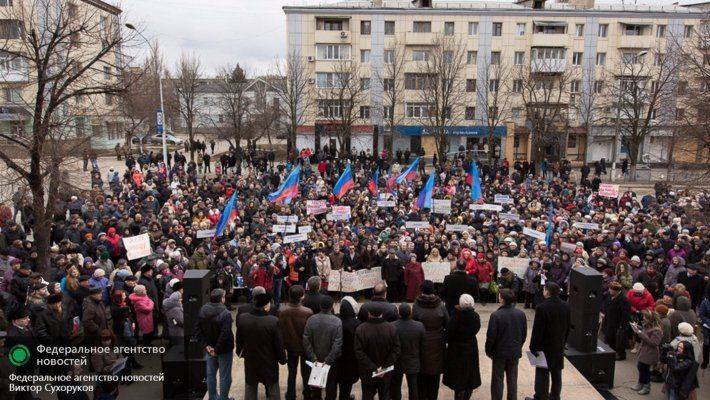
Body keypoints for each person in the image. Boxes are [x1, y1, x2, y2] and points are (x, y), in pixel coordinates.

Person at [236, 292, 287, 400]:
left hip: (250, 361)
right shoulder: (273, 321)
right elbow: (279, 344)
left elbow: (239, 340)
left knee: (250, 388)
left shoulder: (243, 318)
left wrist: (240, 352)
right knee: (273, 390)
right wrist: (282, 359)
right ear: (266, 306)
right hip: (269, 362)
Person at [525, 282, 570, 400]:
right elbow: (568, 327)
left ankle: (540, 396)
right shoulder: (566, 306)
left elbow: (538, 330)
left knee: (542, 373)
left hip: (544, 346)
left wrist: (533, 347)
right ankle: (555, 396)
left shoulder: (542, 307)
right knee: (556, 373)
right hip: (558, 345)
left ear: (547, 291)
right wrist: (563, 342)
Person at [485, 288, 527, 400]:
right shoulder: (521, 314)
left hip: (499, 352)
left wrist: (488, 351)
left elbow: (491, 337)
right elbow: (523, 335)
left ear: (502, 299)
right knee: (512, 378)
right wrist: (518, 346)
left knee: (497, 379)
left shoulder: (496, 315)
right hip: (514, 351)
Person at [354, 303, 401, 400]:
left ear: (369, 314)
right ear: (382, 314)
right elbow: (396, 350)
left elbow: (359, 352)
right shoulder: (391, 328)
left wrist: (374, 368)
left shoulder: (361, 329)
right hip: (385, 372)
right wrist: (383, 368)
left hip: (367, 372)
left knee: (367, 395)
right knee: (384, 395)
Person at [195, 289, 235, 400]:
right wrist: (216, 349)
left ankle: (212, 397)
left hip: (209, 348)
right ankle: (224, 398)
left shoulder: (202, 310)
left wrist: (206, 346)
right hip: (224, 350)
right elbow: (225, 334)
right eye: (224, 296)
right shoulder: (225, 313)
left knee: (211, 375)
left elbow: (197, 330)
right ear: (221, 299)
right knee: (225, 376)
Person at [412, 280, 448, 400]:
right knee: (434, 377)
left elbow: (412, 322)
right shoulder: (440, 305)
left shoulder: (416, 305)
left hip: (421, 342)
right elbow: (447, 323)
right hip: (437, 343)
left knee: (421, 376)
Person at [303, 295, 343, 400]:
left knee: (316, 387)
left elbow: (306, 341)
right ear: (332, 306)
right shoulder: (337, 321)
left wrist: (313, 358)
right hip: (331, 362)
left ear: (320, 306)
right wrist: (328, 360)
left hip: (315, 360)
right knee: (331, 386)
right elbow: (337, 344)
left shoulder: (311, 319)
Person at [443, 294, 481, 400]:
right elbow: (476, 329)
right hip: (471, 347)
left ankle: (459, 394)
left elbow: (448, 334)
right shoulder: (475, 317)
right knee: (469, 374)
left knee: (457, 376)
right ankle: (466, 394)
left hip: (456, 349)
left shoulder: (455, 317)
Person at [278, 285, 313, 400]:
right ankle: (307, 394)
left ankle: (291, 395)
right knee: (306, 372)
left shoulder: (282, 311)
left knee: (291, 372)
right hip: (304, 347)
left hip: (290, 347)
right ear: (302, 297)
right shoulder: (308, 312)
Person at [391, 303, 425, 400]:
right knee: (413, 387)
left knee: (396, 387)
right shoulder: (419, 326)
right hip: (413, 361)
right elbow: (423, 345)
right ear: (410, 313)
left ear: (399, 313)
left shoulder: (392, 326)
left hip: (397, 361)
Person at [629, 310, 663, 395]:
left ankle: (646, 386)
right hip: (644, 351)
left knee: (645, 369)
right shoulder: (647, 326)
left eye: (645, 317)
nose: (643, 318)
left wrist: (640, 333)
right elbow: (646, 333)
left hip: (650, 353)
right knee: (640, 367)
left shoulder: (657, 330)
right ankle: (640, 383)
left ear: (650, 319)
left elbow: (654, 343)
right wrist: (638, 328)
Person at [336, 296, 361, 400]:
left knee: (341, 381)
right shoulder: (357, 324)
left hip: (338, 357)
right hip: (351, 358)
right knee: (348, 382)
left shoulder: (336, 320)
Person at [602, 281, 632, 360]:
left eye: (612, 290)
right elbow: (606, 305)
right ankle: (613, 353)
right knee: (611, 339)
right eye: (610, 289)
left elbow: (626, 314)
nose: (610, 291)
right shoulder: (609, 296)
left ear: (617, 291)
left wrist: (622, 325)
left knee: (618, 340)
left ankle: (621, 355)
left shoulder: (624, 300)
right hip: (609, 321)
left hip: (618, 323)